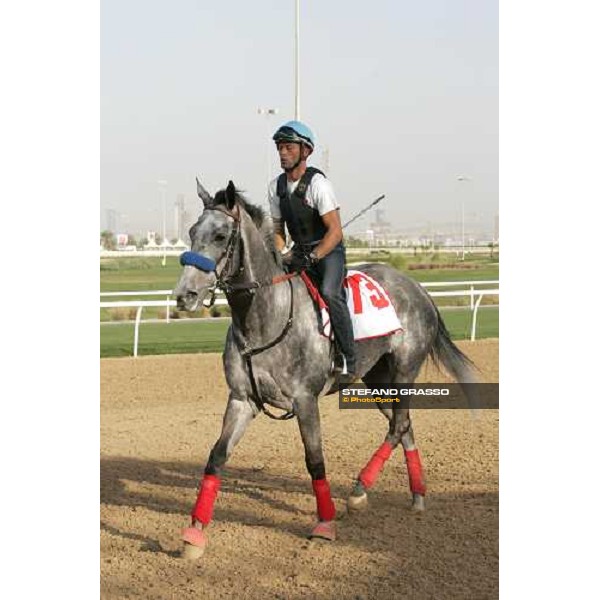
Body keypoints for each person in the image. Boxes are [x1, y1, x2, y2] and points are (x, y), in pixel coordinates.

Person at [268, 120, 356, 379]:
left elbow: (335, 232)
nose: (283, 153)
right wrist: (284, 253)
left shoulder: (319, 185)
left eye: (289, 147)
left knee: (330, 292)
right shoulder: (276, 187)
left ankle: (348, 358)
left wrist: (314, 256)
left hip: (328, 252)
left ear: (305, 151)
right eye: (280, 148)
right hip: (298, 253)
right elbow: (276, 231)